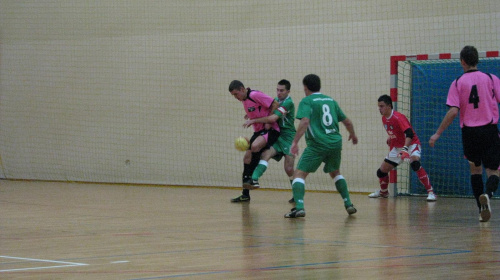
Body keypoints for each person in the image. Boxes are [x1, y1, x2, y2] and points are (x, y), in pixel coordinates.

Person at [429, 45, 500, 222]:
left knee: (474, 170)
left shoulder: (458, 82)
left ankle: (480, 209)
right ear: (477, 60)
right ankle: (488, 196)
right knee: (494, 171)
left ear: (462, 61)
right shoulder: (491, 78)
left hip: (469, 133)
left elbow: (453, 111)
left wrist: (437, 133)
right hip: (489, 130)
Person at [285, 74, 358, 218]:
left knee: (299, 174)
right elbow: (347, 122)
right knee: (335, 172)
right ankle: (348, 203)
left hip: (318, 144)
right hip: (335, 143)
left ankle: (299, 207)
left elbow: (304, 122)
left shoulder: (307, 101)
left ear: (305, 87)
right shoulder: (330, 100)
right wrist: (353, 135)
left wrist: (294, 142)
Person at [368, 94, 437, 201]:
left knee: (415, 163)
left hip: (411, 144)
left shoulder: (398, 117)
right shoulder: (384, 119)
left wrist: (405, 148)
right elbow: (396, 130)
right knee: (381, 171)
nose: (379, 109)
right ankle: (384, 192)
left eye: (381, 106)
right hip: (397, 147)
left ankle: (431, 192)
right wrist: (390, 137)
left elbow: (409, 133)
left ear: (389, 106)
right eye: (379, 106)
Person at [242, 79, 296, 203]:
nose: (279, 92)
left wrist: (254, 121)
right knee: (266, 154)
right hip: (279, 136)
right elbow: (263, 108)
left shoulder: (288, 103)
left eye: (282, 90)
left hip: (289, 138)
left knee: (288, 169)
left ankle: (296, 192)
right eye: (277, 90)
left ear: (288, 91)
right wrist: (251, 115)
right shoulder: (276, 101)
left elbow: (273, 118)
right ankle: (253, 179)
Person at [228, 80, 281, 203]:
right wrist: (250, 116)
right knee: (246, 158)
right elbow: (257, 109)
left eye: (236, 94)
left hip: (271, 130)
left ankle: (253, 178)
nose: (236, 97)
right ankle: (245, 194)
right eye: (233, 95)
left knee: (255, 147)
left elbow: (275, 104)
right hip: (258, 132)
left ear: (242, 89)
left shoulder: (255, 95)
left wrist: (268, 121)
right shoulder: (244, 100)